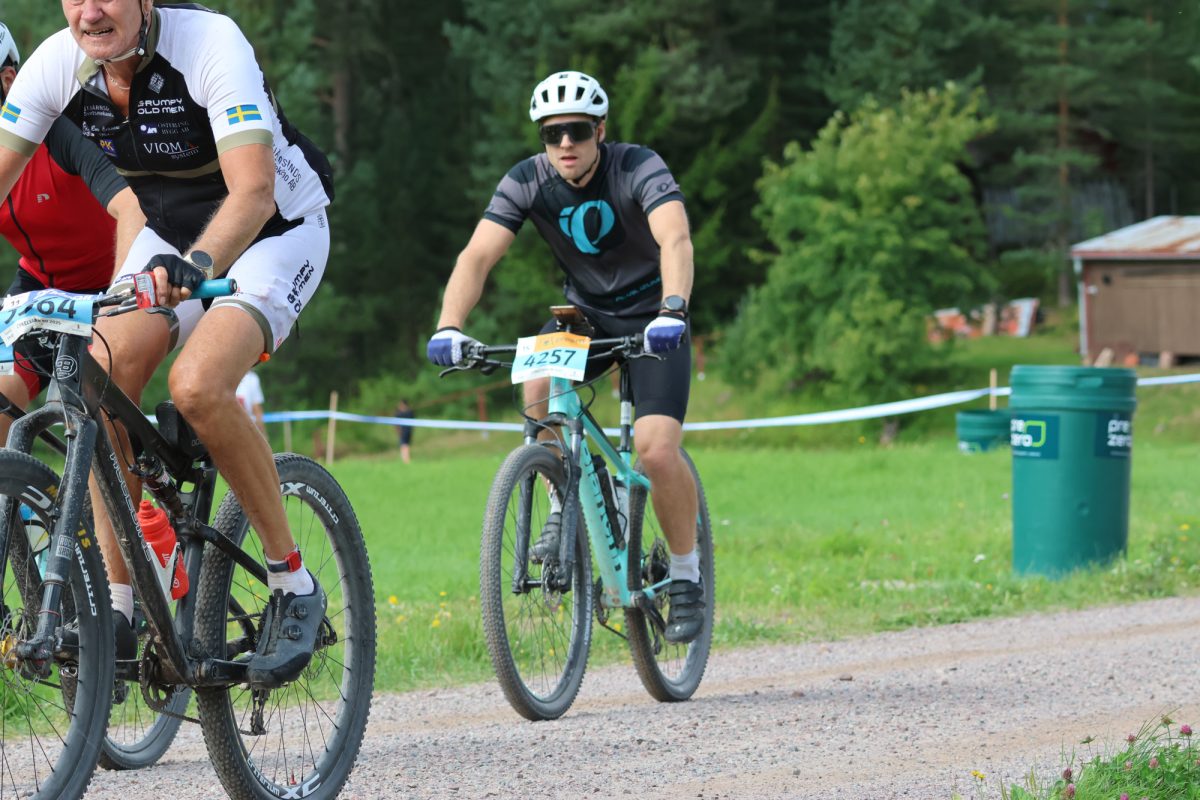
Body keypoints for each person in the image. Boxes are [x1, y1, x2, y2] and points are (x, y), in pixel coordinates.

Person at [0, 1, 334, 687]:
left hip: (273, 231)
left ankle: (292, 582)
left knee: (198, 385)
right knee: (95, 375)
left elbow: (255, 191)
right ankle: (119, 607)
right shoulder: (56, 63)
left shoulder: (210, 42)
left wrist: (199, 266)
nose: (90, 11)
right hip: (168, 234)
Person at [427, 70, 704, 644]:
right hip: (587, 317)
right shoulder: (527, 180)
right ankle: (562, 497)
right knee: (535, 384)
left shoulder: (637, 166)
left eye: (577, 130)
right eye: (552, 134)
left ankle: (685, 575)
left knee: (655, 449)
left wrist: (674, 309)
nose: (566, 144)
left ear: (600, 130)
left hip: (655, 320)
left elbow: (675, 239)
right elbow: (477, 256)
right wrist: (449, 326)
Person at [0, 22, 144, 447]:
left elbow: (131, 206)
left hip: (115, 280)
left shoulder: (57, 128)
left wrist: (119, 293)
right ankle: (20, 488)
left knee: (88, 413)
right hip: (41, 286)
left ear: (8, 80)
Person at [236, 367, 267, 436]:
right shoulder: (251, 379)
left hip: (246, 430)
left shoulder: (252, 379)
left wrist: (263, 435)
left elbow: (257, 410)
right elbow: (257, 410)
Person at [395, 398, 414, 463]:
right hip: (407, 431)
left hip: (404, 431)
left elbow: (396, 423)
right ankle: (405, 459)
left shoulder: (400, 413)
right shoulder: (410, 412)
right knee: (405, 445)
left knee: (404, 445)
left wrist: (398, 431)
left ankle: (405, 459)